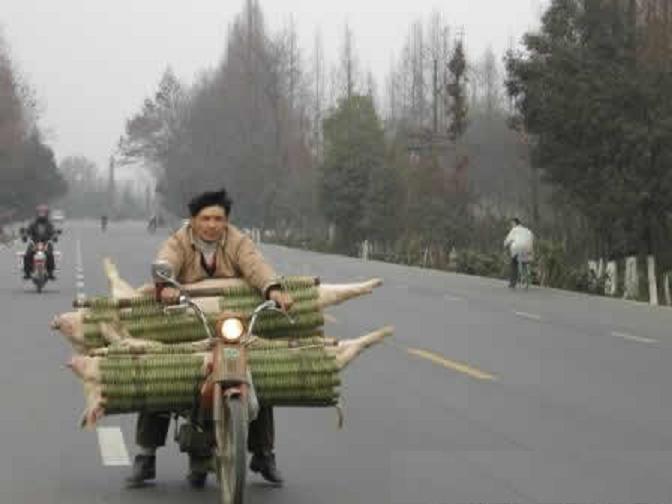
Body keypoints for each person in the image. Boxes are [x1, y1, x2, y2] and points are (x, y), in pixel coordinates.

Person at [127, 188, 294, 489]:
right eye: (205, 219)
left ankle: (264, 454)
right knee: (159, 373)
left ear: (226, 221)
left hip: (231, 323)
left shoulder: (237, 241)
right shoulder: (179, 241)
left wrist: (273, 289)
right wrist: (166, 287)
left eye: (218, 219)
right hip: (186, 321)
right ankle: (146, 455)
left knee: (258, 374)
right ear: (193, 220)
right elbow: (166, 261)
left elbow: (255, 265)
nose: (212, 225)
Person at [23, 204, 57, 280]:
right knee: (27, 255)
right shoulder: (32, 223)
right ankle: (27, 272)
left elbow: (53, 232)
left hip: (46, 242)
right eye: (40, 212)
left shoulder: (49, 224)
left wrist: (55, 236)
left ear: (47, 213)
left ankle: (50, 272)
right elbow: (27, 231)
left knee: (50, 255)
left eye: (43, 212)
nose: (42, 214)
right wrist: (25, 236)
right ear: (37, 213)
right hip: (34, 242)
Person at [503, 217, 534, 288]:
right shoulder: (528, 230)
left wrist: (505, 245)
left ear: (515, 223)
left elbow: (508, 240)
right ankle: (527, 281)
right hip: (528, 248)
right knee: (525, 262)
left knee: (514, 264)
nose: (511, 225)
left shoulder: (514, 229)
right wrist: (530, 251)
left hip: (517, 248)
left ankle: (512, 283)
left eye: (512, 223)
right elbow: (531, 238)